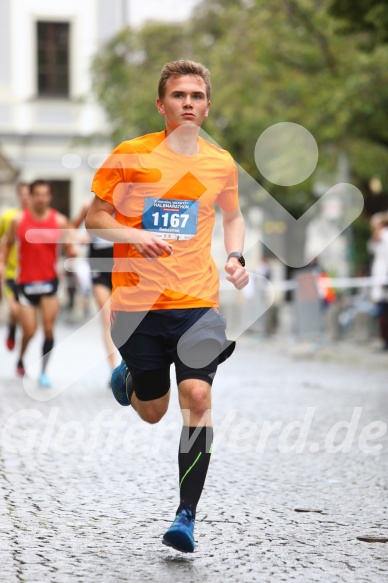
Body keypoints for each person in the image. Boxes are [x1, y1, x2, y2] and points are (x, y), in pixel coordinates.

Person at [85, 60, 249, 553]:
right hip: (137, 306)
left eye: (197, 96)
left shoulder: (220, 162)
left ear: (206, 105)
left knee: (197, 398)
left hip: (198, 301)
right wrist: (136, 235)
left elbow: (233, 216)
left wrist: (236, 255)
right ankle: (133, 380)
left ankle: (186, 516)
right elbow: (95, 218)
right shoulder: (131, 155)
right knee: (153, 412)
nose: (188, 104)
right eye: (178, 95)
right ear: (162, 105)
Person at [2, 179, 76, 386]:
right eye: (37, 194)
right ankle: (21, 357)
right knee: (29, 330)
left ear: (50, 197)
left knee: (49, 328)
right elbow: (7, 245)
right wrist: (2, 264)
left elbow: (68, 247)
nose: (41, 199)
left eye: (45, 194)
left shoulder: (59, 221)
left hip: (50, 283)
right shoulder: (18, 220)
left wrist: (71, 251)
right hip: (25, 283)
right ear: (31, 196)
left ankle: (43, 371)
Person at [71, 199, 118, 378]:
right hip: (98, 264)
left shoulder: (126, 204)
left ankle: (128, 364)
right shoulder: (87, 205)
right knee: (107, 318)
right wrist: (80, 237)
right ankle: (113, 369)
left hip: (121, 265)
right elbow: (71, 228)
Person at [0, 182, 30, 350]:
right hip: (12, 271)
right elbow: (4, 241)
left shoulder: (36, 218)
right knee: (14, 310)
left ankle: (17, 335)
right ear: (18, 196)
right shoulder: (9, 217)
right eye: (22, 194)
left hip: (30, 274)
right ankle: (12, 330)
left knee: (26, 317)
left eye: (28, 194)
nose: (25, 197)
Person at [369, 212, 388, 351]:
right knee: (382, 313)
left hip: (384, 282)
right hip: (380, 281)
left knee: (384, 314)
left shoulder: (385, 237)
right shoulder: (379, 238)